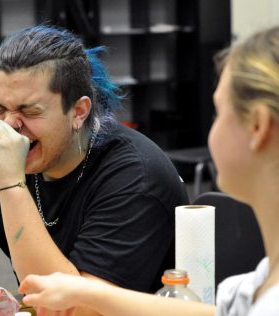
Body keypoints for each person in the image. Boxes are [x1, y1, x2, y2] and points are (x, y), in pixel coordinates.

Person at [0, 24, 188, 315]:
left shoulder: (135, 177)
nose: (9, 125)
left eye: (30, 111)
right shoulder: (6, 159)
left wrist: (10, 188)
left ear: (79, 111)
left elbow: (76, 312)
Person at [19, 26, 279, 316]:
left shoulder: (134, 170)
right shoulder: (267, 277)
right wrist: (86, 291)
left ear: (258, 126)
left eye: (219, 113)